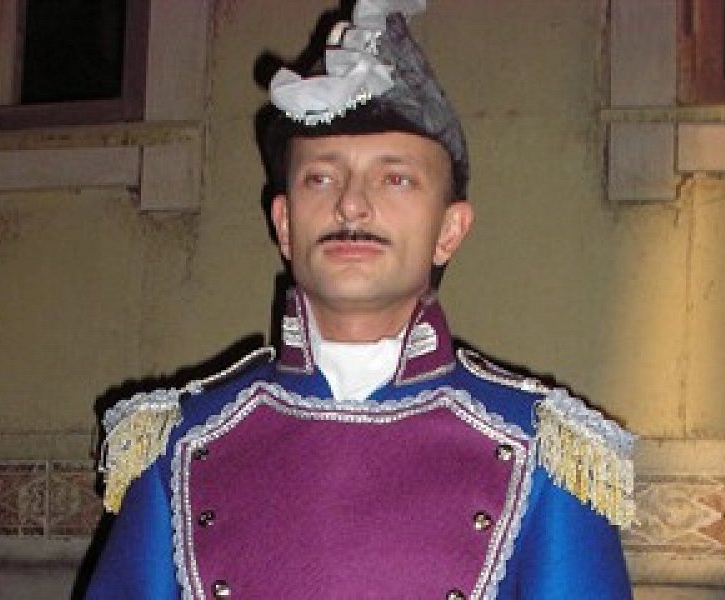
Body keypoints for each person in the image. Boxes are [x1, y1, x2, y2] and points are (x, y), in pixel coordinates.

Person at [85, 2, 635, 598]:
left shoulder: (546, 453)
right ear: (285, 223)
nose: (351, 204)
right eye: (321, 177)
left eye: (395, 178)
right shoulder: (176, 444)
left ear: (449, 230)